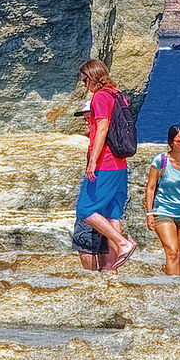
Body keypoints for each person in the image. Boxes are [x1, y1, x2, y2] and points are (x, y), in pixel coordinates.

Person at [75, 60, 138, 270]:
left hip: (106, 163)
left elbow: (102, 128)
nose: (84, 84)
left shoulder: (100, 96)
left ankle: (123, 243)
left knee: (85, 209)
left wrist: (92, 161)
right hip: (121, 164)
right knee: (113, 214)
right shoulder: (118, 95)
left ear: (92, 76)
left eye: (85, 80)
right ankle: (113, 268)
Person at [140, 124, 180, 276]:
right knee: (172, 252)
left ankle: (174, 279)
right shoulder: (160, 161)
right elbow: (150, 187)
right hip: (164, 212)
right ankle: (172, 284)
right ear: (171, 143)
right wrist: (149, 214)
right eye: (179, 141)